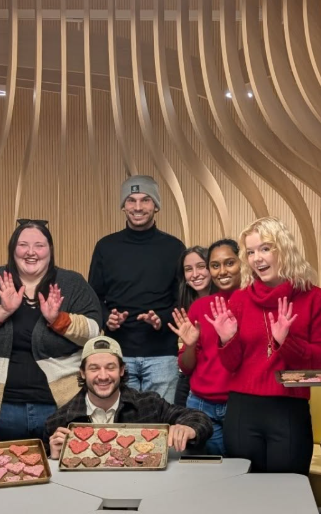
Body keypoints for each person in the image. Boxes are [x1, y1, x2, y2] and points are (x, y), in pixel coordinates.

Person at [206, 217, 321, 474]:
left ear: (283, 250)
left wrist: (287, 342)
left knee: (288, 493)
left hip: (288, 410)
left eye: (265, 248)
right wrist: (226, 340)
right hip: (243, 410)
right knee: (244, 494)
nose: (257, 258)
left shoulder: (315, 297)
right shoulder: (239, 299)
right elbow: (231, 365)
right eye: (250, 252)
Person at [0, 220, 102, 443]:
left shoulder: (71, 282)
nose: (30, 252)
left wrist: (58, 319)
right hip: (0, 409)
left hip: (60, 407)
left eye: (39, 245)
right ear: (12, 249)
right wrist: (2, 310)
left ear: (50, 250)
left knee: (62, 473)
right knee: (0, 473)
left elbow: (94, 331)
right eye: (23, 245)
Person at [89, 175, 186, 403]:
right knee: (122, 426)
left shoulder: (174, 247)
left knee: (161, 426)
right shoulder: (106, 247)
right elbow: (93, 297)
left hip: (162, 355)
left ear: (156, 206)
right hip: (118, 354)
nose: (138, 207)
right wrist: (106, 319)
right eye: (131, 200)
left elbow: (182, 299)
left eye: (145, 200)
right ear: (124, 206)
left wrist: (161, 319)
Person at [46, 335, 213, 459]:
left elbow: (200, 419)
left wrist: (189, 429)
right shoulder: (60, 420)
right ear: (82, 373)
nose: (103, 376)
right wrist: (53, 458)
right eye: (94, 368)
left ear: (121, 370)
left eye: (110, 367)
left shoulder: (149, 404)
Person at [171, 239, 241, 455]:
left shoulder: (248, 303)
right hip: (200, 403)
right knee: (202, 472)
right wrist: (190, 346)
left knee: (238, 469)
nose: (222, 271)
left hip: (238, 403)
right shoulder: (198, 307)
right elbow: (186, 366)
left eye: (229, 263)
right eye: (215, 265)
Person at [173, 246, 213, 406]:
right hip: (188, 379)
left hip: (216, 386)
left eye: (201, 267)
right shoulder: (184, 306)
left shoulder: (227, 301)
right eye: (188, 269)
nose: (195, 274)